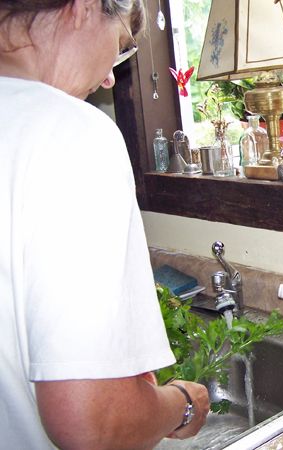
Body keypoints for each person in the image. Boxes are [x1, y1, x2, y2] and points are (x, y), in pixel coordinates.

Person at [0, 1, 210, 448]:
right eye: (119, 47)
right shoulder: (69, 131)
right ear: (87, 7)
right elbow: (92, 423)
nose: (110, 78)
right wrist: (184, 403)